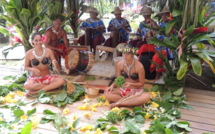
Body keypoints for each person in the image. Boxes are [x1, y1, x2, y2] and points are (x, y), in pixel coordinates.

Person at [104, 44, 150, 108]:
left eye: (127, 54)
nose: (125, 56)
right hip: (123, 91)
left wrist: (131, 84)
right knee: (107, 93)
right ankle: (130, 103)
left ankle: (119, 104)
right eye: (123, 53)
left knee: (146, 96)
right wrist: (112, 86)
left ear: (132, 55)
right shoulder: (119, 64)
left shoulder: (139, 66)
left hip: (136, 92)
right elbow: (118, 80)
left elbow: (142, 84)